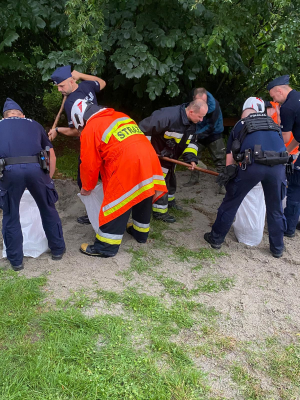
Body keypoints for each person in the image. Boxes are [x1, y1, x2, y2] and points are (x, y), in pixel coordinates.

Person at [70, 99, 167, 257]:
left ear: (80, 119)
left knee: (115, 203)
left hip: (127, 163)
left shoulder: (91, 128)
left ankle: (105, 247)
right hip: (149, 158)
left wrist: (87, 187)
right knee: (143, 193)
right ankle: (140, 232)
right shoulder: (121, 116)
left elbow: (89, 163)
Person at [204, 107, 288, 258]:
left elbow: (230, 157)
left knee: (231, 202)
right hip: (277, 167)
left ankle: (216, 239)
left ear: (244, 116)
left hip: (252, 165)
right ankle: (277, 249)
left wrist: (229, 178)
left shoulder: (240, 124)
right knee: (275, 209)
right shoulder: (273, 125)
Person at [0, 98, 66, 271]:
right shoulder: (34, 124)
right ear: (22, 115)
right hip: (37, 168)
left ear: (5, 116)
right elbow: (51, 155)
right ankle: (58, 250)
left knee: (10, 214)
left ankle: (16, 261)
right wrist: (48, 180)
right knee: (48, 208)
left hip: (9, 170)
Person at [49, 65, 106, 224]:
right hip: (104, 137)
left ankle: (94, 211)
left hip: (91, 144)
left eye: (61, 85)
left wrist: (58, 130)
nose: (60, 90)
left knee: (85, 179)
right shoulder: (86, 85)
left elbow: (77, 131)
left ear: (71, 80)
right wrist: (81, 75)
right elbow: (101, 83)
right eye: (58, 86)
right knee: (104, 175)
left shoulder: (71, 103)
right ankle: (104, 206)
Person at [139, 99, 208, 223]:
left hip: (171, 158)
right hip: (157, 157)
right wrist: (147, 152)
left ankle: (170, 202)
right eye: (200, 116)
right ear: (191, 111)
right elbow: (142, 129)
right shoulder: (166, 116)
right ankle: (159, 212)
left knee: (171, 179)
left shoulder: (192, 122)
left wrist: (191, 159)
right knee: (161, 183)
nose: (201, 120)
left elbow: (191, 143)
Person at [267, 75, 300, 237]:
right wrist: (287, 153)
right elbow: (298, 136)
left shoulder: (288, 107)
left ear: (279, 90)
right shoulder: (298, 97)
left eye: (273, 96)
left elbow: (285, 138)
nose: (275, 100)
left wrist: (268, 132)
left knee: (294, 187)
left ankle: (289, 228)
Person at [184, 88, 225, 187]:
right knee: (193, 156)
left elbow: (211, 127)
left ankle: (223, 185)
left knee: (220, 160)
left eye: (204, 101)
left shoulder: (214, 106)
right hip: (199, 132)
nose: (202, 103)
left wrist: (196, 135)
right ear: (194, 98)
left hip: (214, 134)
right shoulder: (191, 103)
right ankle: (194, 179)